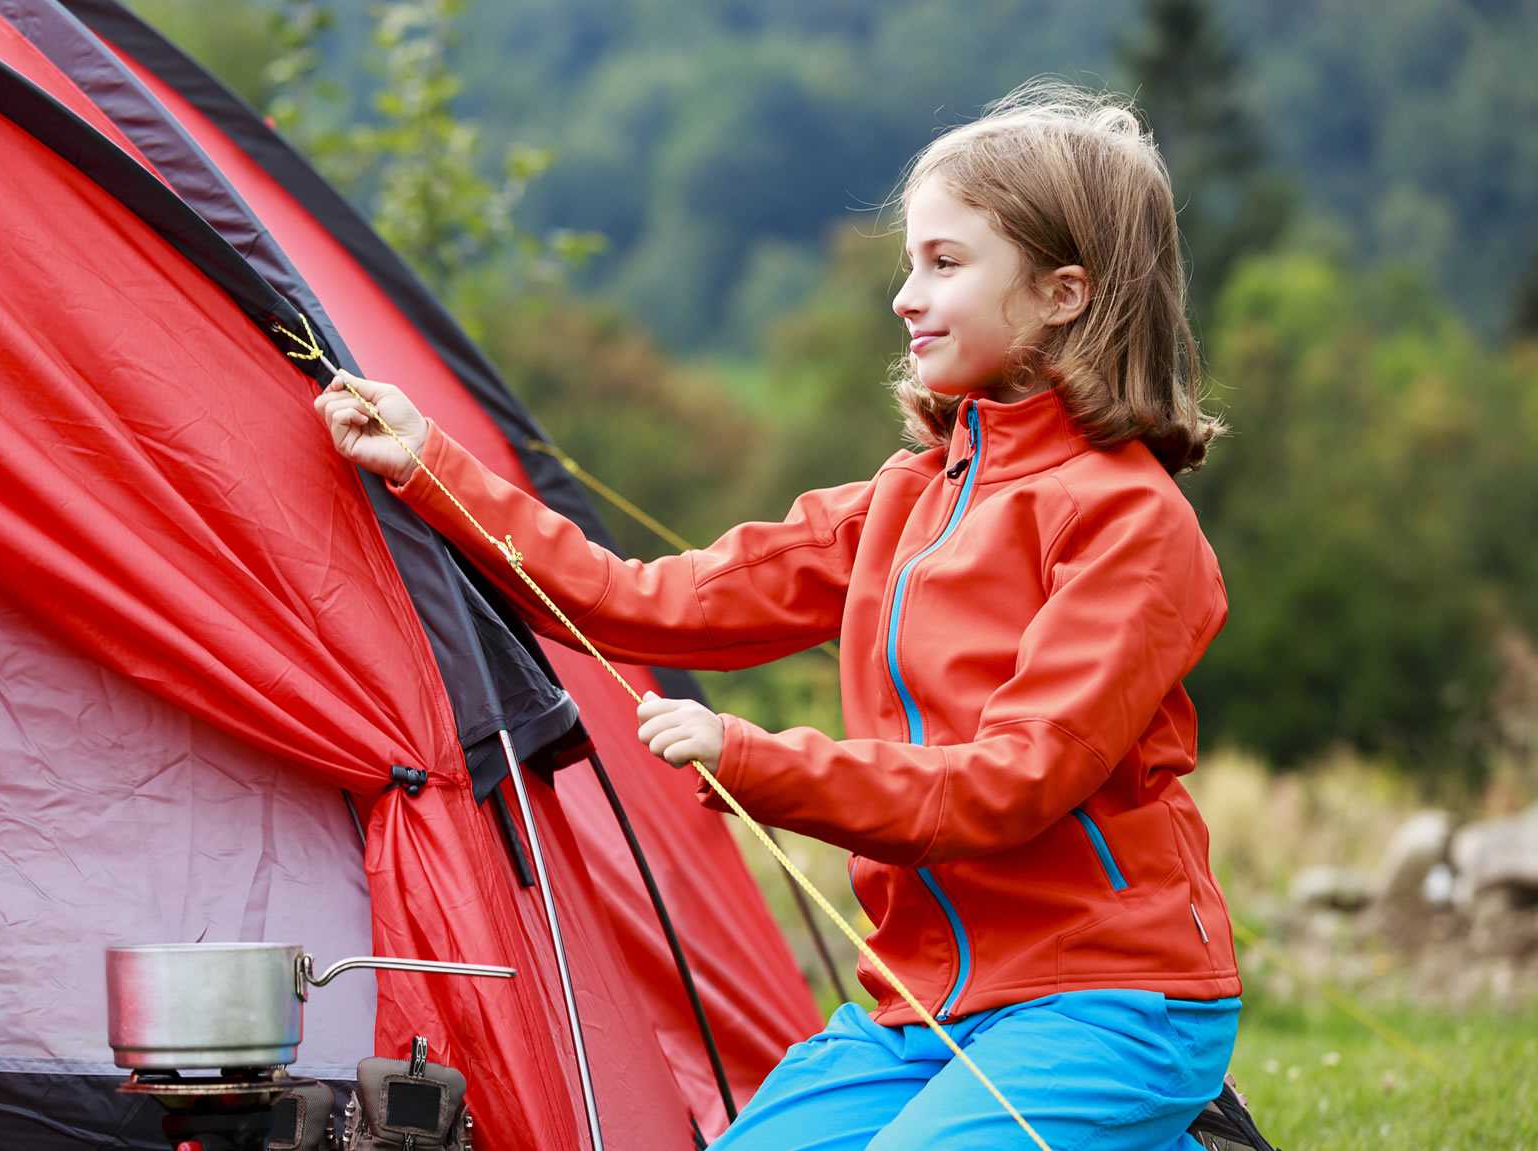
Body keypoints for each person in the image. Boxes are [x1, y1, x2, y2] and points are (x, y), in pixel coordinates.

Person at [316, 81, 1278, 1151]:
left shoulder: (1130, 526)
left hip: (1108, 1000)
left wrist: (752, 757)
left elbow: (1011, 783)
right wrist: (428, 465)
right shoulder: (902, 500)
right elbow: (647, 603)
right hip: (918, 1011)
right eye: (908, 262)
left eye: (945, 263)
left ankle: (1177, 1128)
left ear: (1061, 293)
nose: (906, 297)